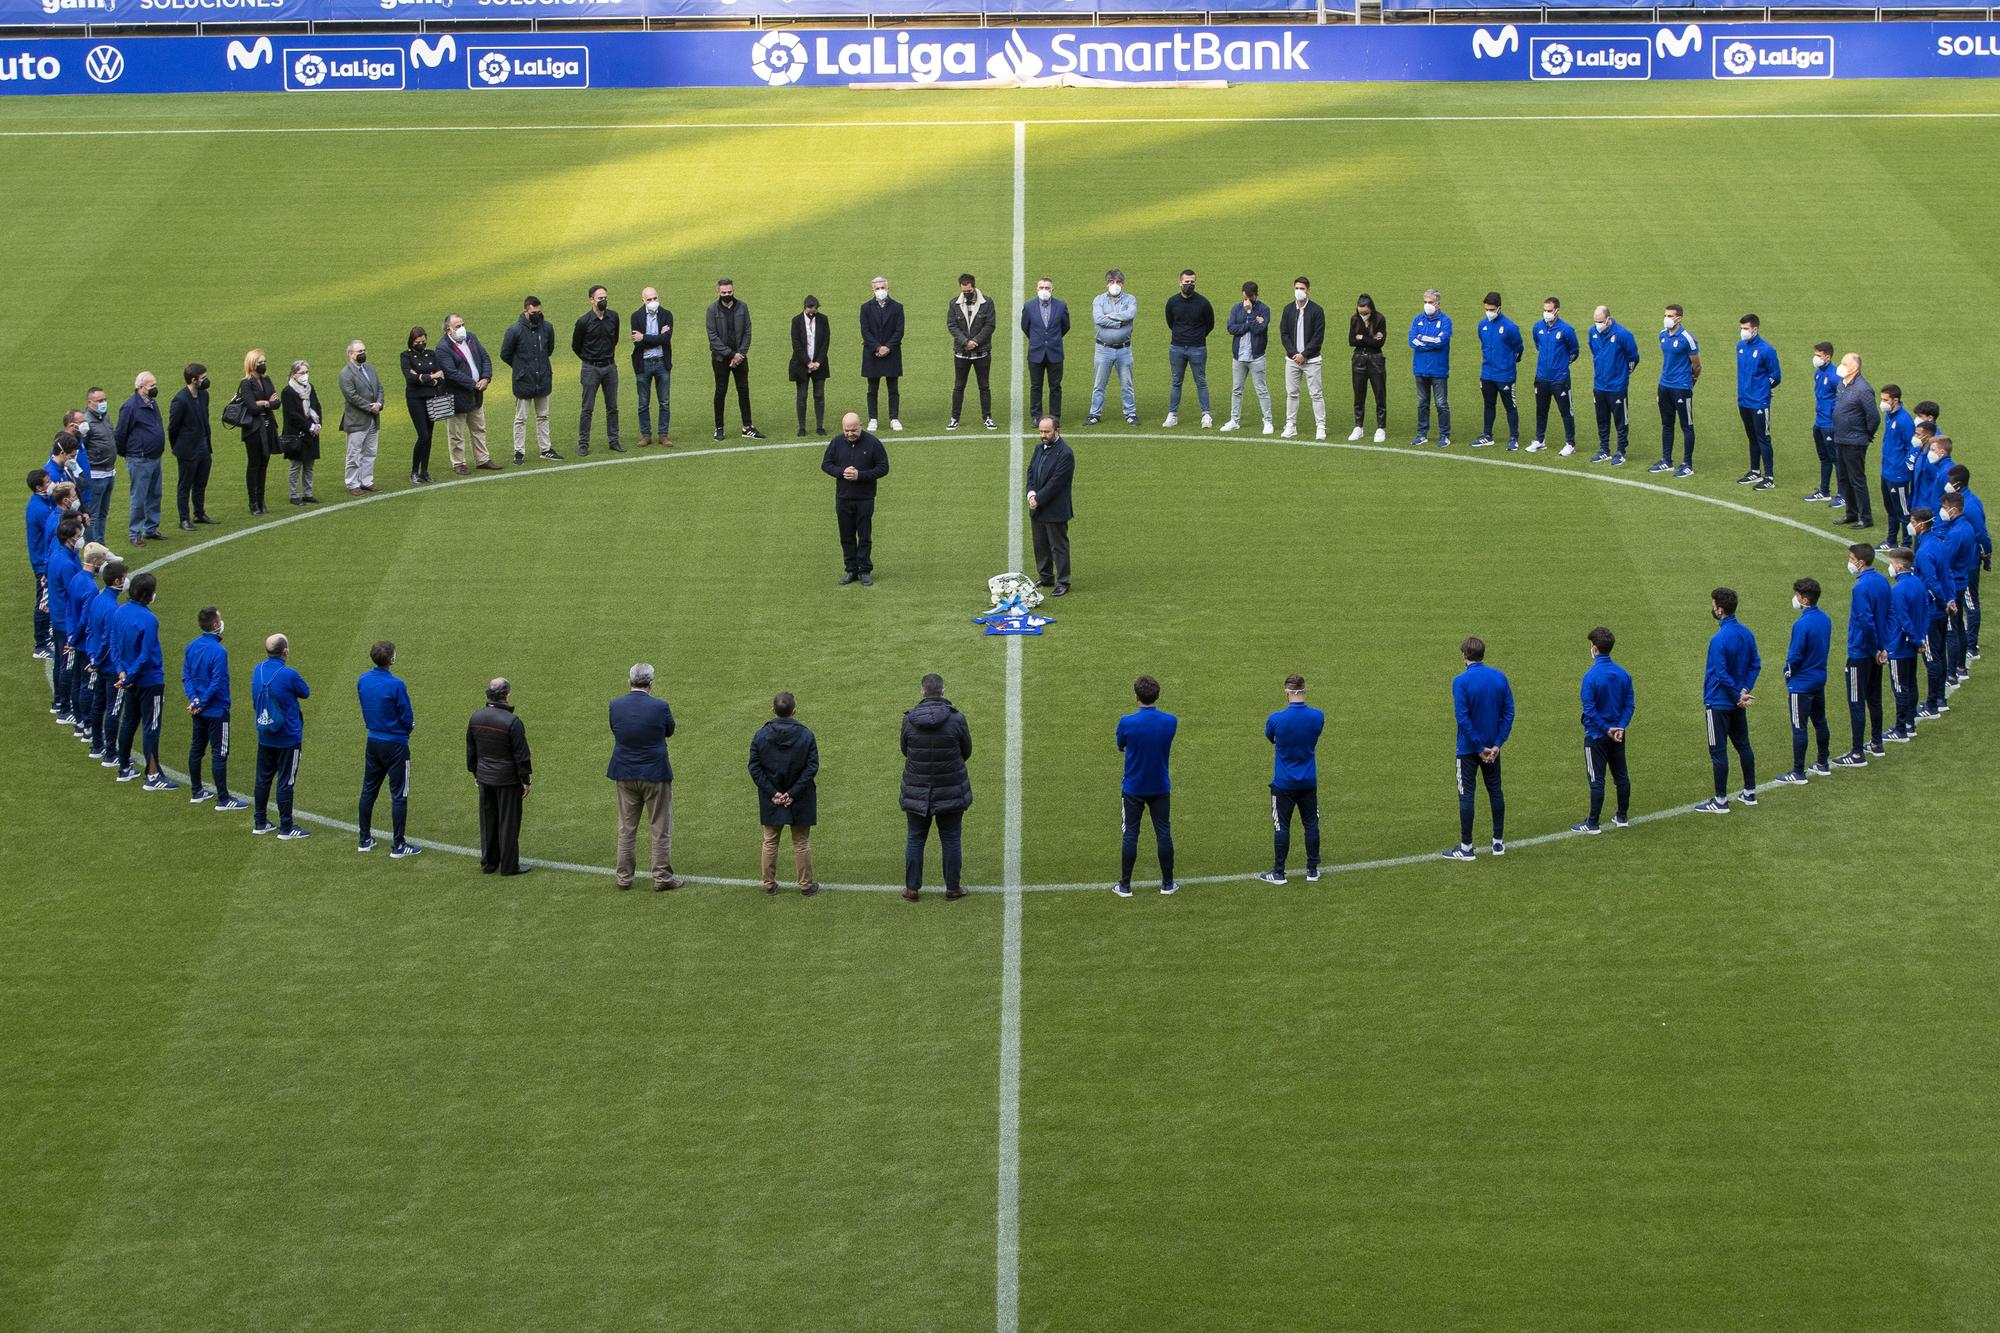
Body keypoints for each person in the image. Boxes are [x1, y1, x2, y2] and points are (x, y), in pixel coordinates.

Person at [606, 662, 681, 891]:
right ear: (651, 683)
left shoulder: (616, 705)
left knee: (626, 828)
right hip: (655, 774)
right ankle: (662, 878)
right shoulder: (660, 706)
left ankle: (624, 878)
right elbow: (669, 730)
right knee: (660, 827)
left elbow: (615, 729)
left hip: (625, 773)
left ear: (630, 682)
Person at [899, 672, 972, 902]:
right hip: (950, 789)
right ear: (943, 691)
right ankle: (953, 888)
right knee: (950, 838)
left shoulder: (909, 719)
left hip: (916, 790)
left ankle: (912, 889)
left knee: (915, 838)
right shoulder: (957, 718)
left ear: (923, 692)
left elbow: (905, 750)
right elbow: (966, 751)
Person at [1444, 636, 1511, 860]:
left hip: (1468, 750)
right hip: (1493, 749)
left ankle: (1466, 847)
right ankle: (1498, 843)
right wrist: (1496, 744)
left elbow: (1462, 718)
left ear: (1465, 656)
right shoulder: (1500, 678)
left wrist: (1478, 746)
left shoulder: (1460, 682)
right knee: (1495, 790)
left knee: (1466, 796)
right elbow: (1509, 713)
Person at [1111, 675, 1178, 897]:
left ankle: (1125, 885)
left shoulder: (1126, 722)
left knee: (1130, 834)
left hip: (1133, 787)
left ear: (1136, 697)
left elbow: (1121, 745)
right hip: (1160, 785)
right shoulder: (1170, 721)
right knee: (1163, 833)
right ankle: (1168, 884)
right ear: (1157, 695)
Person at [749, 690, 819, 896]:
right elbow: (811, 767)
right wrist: (793, 793)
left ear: (773, 710)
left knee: (770, 840)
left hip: (772, 798)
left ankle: (769, 884)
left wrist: (773, 793)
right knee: (801, 842)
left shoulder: (760, 735)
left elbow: (754, 767)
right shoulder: (806, 735)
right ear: (794, 710)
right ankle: (806, 885)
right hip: (800, 797)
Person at [1697, 587, 1761, 814]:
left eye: (1713, 604)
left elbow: (1721, 673)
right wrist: (1744, 690)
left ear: (1720, 610)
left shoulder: (1718, 639)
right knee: (1743, 745)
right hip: (1737, 703)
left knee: (1718, 751)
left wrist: (1736, 694)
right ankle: (1750, 792)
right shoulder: (1746, 633)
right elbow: (1755, 664)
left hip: (1718, 703)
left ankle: (1720, 800)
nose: (1712, 608)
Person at [110, 569, 175, 790]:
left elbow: (113, 643)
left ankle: (124, 768)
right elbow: (146, 654)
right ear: (148, 594)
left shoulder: (120, 612)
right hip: (149, 680)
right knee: (151, 726)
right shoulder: (149, 619)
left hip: (129, 677)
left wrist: (122, 672)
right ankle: (153, 775)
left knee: (128, 721)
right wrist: (130, 674)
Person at [1256, 674, 1324, 883]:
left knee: (1281, 826)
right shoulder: (1317, 716)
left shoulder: (1276, 719)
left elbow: (1272, 738)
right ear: (1305, 690)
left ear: (1286, 692)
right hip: (1308, 781)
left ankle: (1278, 873)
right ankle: (1312, 870)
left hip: (1284, 782)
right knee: (1311, 824)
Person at [356, 639, 419, 857]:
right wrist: (407, 728)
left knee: (368, 790)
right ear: (391, 659)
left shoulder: (363, 680)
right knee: (399, 794)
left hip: (373, 741)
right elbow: (406, 716)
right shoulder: (396, 684)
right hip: (395, 745)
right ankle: (399, 845)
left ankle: (364, 839)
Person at [467, 677, 532, 876]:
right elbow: (521, 756)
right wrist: (525, 780)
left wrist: (475, 772)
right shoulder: (513, 722)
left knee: (488, 821)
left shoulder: (476, 717)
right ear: (506, 695)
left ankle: (489, 863)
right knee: (509, 822)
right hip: (507, 780)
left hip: (485, 777)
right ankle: (509, 865)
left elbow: (472, 749)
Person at [1573, 625, 1635, 832]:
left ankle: (1592, 822)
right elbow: (1629, 705)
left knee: (1596, 779)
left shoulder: (1590, 677)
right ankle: (1622, 816)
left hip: (1596, 735)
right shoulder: (1623, 674)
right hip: (1618, 735)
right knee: (1621, 776)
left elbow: (1589, 710)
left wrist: (1606, 728)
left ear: (1595, 648)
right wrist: (1620, 727)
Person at [181, 605, 243, 809]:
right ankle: (223, 798)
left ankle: (196, 791)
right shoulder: (219, 651)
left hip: (197, 708)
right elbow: (217, 682)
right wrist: (204, 702)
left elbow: (187, 676)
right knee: (219, 752)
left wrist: (195, 701)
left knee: (196, 748)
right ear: (215, 624)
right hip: (216, 709)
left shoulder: (191, 646)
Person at [1836, 544, 1893, 765]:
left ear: (1861, 562)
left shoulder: (1860, 588)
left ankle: (1857, 752)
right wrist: (1883, 647)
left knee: (1856, 701)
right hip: (1877, 651)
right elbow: (1889, 614)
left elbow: (1866, 621)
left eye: (1851, 558)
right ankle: (1877, 743)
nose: (1850, 562)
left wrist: (1875, 647)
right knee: (1874, 698)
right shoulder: (1882, 581)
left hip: (1861, 652)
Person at [251, 632, 311, 838]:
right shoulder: (289, 674)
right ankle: (286, 827)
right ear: (285, 651)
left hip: (266, 733)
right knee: (286, 781)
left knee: (263, 779)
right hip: (288, 737)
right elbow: (305, 692)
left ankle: (259, 822)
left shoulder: (257, 670)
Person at [822, 412, 888, 586]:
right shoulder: (836, 442)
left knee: (864, 536)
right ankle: (851, 570)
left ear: (861, 425)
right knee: (846, 536)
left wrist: (861, 475)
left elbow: (883, 468)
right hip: (843, 498)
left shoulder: (873, 443)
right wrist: (841, 472)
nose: (850, 433)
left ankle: (864, 570)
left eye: (853, 430)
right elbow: (826, 464)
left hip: (865, 498)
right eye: (846, 430)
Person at [1777, 577, 1832, 785]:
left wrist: (1788, 673)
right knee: (1820, 721)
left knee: (1799, 726)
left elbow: (1795, 655)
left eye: (1798, 595)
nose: (1795, 599)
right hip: (1819, 678)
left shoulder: (1801, 624)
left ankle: (1798, 772)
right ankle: (1822, 762)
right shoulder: (1825, 618)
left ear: (1805, 599)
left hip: (1801, 683)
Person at [499, 296, 558, 465]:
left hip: (543, 378)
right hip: (524, 381)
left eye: (539, 312)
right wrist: (521, 368)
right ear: (526, 310)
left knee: (543, 416)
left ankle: (545, 449)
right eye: (533, 312)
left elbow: (549, 349)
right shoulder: (515, 330)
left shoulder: (547, 328)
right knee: (521, 418)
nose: (537, 315)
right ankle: (519, 451)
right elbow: (505, 354)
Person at [437, 314, 497, 475]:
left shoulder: (470, 337)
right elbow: (451, 372)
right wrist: (474, 384)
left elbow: (485, 358)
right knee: (456, 433)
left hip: (476, 394)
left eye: (462, 324)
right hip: (457, 395)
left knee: (479, 428)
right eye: (457, 326)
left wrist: (486, 378)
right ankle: (458, 463)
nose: (461, 328)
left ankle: (482, 459)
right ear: (448, 329)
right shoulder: (443, 347)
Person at [114, 371, 167, 547]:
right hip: (139, 459)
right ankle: (134, 533)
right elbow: (120, 434)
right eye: (151, 386)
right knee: (139, 497)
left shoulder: (152, 403)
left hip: (155, 457)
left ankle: (151, 529)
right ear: (140, 388)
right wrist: (128, 454)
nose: (155, 388)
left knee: (155, 494)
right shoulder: (130, 407)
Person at [1830, 352, 1880, 528]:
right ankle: (1851, 513)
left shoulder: (1863, 388)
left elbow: (1873, 417)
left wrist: (1865, 435)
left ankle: (1865, 517)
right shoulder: (1842, 385)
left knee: (1857, 480)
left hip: (1855, 441)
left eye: (1844, 363)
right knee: (1843, 478)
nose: (1840, 365)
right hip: (1841, 438)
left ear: (1855, 367)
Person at [1911, 508, 1954, 717]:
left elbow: (1931, 582)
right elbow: (1948, 574)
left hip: (1930, 611)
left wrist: (1942, 601)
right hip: (1942, 609)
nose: (1911, 525)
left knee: (1931, 657)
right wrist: (1950, 599)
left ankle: (1932, 704)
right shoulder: (1939, 542)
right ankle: (1941, 699)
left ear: (1920, 523)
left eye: (1912, 521)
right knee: (1940, 653)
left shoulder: (1924, 551)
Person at [706, 278, 760, 441]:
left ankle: (747, 426)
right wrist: (731, 354)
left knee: (743, 391)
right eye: (724, 293)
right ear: (718, 292)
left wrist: (740, 354)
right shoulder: (712, 310)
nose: (727, 295)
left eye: (729, 292)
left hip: (740, 358)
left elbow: (747, 332)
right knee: (720, 391)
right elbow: (712, 336)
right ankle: (719, 428)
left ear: (733, 290)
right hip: (720, 358)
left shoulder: (742, 307)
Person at [66, 541, 110, 739]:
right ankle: (86, 723)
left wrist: (69, 635)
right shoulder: (91, 587)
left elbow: (69, 610)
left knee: (77, 681)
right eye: (103, 560)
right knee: (87, 684)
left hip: (74, 636)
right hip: (85, 643)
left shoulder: (76, 578)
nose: (104, 564)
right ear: (95, 561)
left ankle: (78, 719)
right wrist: (75, 639)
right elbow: (86, 619)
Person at [1025, 416, 1074, 596]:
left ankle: (1063, 581)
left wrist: (1038, 499)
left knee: (1058, 546)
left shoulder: (1066, 453)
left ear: (1057, 431)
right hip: (1037, 506)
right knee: (1041, 545)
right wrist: (1030, 493)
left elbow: (1056, 483)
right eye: (1041, 431)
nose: (1043, 435)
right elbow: (1031, 472)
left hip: (1055, 509)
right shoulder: (1038, 449)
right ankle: (1045, 576)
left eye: (1047, 431)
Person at [1946, 462, 1990, 660]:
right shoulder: (1968, 500)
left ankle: (1972, 645)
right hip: (1967, 561)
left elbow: (1982, 535)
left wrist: (1986, 556)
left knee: (1970, 603)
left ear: (1957, 484)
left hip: (1968, 564)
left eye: (1950, 481)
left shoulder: (1968, 506)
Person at [1472, 291, 1526, 451]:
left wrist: (1508, 363)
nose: (1488, 312)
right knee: (1489, 405)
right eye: (1486, 309)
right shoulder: (1482, 325)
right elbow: (1483, 344)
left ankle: (1514, 437)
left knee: (1510, 406)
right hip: (1487, 373)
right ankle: (1487, 435)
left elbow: (1519, 348)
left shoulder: (1510, 327)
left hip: (1505, 375)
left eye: (1491, 309)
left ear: (1499, 308)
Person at [573, 284, 623, 456]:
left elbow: (615, 338)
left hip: (610, 367)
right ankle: (583, 444)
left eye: (605, 298)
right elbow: (576, 346)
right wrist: (589, 359)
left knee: (612, 407)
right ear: (591, 300)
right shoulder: (583, 322)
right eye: (600, 298)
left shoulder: (614, 317)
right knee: (587, 408)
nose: (603, 301)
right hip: (590, 368)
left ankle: (614, 441)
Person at [1586, 305, 1639, 466]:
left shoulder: (1623, 334)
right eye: (1595, 321)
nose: (1598, 324)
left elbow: (1634, 357)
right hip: (1599, 384)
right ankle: (1604, 449)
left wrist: (1623, 375)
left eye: (1600, 321)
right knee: (1602, 419)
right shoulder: (1592, 332)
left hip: (1617, 386)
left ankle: (1621, 451)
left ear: (1609, 319)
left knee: (1621, 421)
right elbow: (1595, 352)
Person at [1651, 304, 1700, 476]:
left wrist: (1690, 382)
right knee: (1667, 424)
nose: (1667, 318)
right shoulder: (1662, 335)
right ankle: (1667, 460)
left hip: (1681, 387)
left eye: (1670, 316)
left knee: (1686, 426)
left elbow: (1697, 365)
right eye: (1665, 315)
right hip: (1664, 386)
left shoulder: (1687, 338)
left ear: (1679, 318)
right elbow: (1667, 361)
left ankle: (1688, 464)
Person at [1220, 282, 1274, 435]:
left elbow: (1259, 330)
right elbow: (1231, 328)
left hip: (1256, 357)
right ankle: (1234, 420)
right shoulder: (1236, 308)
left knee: (1261, 390)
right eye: (1245, 297)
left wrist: (1249, 315)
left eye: (1250, 297)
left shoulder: (1264, 309)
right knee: (1236, 390)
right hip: (1239, 357)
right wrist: (1249, 324)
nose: (1247, 301)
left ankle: (1268, 421)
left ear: (1256, 295)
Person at [1735, 314, 1782, 490]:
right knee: (1752, 436)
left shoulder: (1766, 350)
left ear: (1755, 329)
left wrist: (1763, 389)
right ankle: (1755, 471)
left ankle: (1769, 477)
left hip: (1759, 402)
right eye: (1741, 328)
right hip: (1744, 400)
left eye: (1746, 328)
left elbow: (1776, 376)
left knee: (1763, 438)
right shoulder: (1740, 347)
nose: (1743, 332)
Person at [85, 559, 125, 762]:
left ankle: (96, 745)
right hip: (110, 666)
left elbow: (91, 630)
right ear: (117, 580)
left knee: (98, 704)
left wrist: (93, 657)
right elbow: (107, 641)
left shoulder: (98, 599)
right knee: (113, 709)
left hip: (99, 662)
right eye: (124, 579)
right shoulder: (112, 608)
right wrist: (98, 660)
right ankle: (110, 753)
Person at [1163, 268, 1214, 428]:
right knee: (1176, 381)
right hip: (1177, 347)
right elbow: (1170, 322)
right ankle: (1172, 414)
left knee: (1201, 381)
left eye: (1192, 282)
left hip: (1197, 348)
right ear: (1180, 282)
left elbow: (1210, 324)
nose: (1189, 285)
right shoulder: (1172, 302)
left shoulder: (1203, 303)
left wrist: (1196, 337)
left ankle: (1206, 415)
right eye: (1187, 282)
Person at [1937, 490, 1979, 685]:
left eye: (1945, 508)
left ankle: (1951, 673)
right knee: (1959, 626)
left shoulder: (1955, 533)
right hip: (1962, 581)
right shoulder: (1967, 527)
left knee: (1951, 630)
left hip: (1953, 585)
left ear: (1954, 509)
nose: (1942, 511)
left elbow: (1945, 560)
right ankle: (1961, 667)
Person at [1885, 546, 1927, 740]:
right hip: (1914, 643)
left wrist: (1914, 638)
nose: (1890, 567)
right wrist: (1921, 638)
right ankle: (1910, 723)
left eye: (1892, 563)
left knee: (1900, 687)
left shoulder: (1898, 589)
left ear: (1900, 566)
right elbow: (1926, 612)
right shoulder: (1918, 583)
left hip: (1899, 646)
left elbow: (1902, 619)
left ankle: (1901, 728)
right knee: (1911, 683)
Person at [1528, 296, 1578, 456]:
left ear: (1557, 310)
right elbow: (1538, 344)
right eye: (1544, 310)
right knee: (1541, 411)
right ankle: (1540, 440)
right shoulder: (1537, 327)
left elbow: (1574, 351)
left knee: (1566, 411)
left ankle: (1570, 443)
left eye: (1549, 310)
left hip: (1560, 379)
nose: (1546, 313)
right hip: (1542, 377)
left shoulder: (1566, 329)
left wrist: (1562, 364)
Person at [1279, 276, 1327, 441]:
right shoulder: (1288, 309)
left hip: (1311, 360)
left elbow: (1318, 336)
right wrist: (1294, 354)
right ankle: (1290, 425)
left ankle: (1320, 426)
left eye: (1302, 288)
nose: (1299, 291)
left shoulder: (1316, 311)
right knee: (1292, 393)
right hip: (1292, 360)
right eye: (1297, 288)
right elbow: (1284, 334)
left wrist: (1304, 355)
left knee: (1316, 394)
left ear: (1308, 290)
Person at [1088, 268, 1138, 427]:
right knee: (1099, 385)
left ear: (1122, 284)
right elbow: (1099, 319)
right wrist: (1119, 322)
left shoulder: (1130, 299)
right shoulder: (1099, 300)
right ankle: (1094, 414)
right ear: (1106, 283)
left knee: (1127, 384)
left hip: (1124, 349)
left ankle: (1130, 414)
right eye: (1111, 282)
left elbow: (1130, 314)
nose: (1114, 285)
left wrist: (1109, 317)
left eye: (1117, 282)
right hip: (1103, 349)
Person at [45, 512, 82, 723]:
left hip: (59, 616)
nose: (80, 538)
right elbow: (73, 592)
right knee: (67, 663)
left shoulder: (60, 554)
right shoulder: (66, 563)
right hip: (65, 620)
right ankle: (63, 707)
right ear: (70, 538)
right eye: (78, 534)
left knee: (61, 660)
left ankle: (59, 701)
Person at [168, 364, 215, 530]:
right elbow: (173, 428)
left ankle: (199, 513)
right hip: (188, 450)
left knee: (201, 482)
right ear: (193, 380)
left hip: (203, 445)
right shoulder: (180, 400)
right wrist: (180, 447)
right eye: (203, 378)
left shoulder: (204, 395)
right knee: (185, 485)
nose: (206, 381)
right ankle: (184, 519)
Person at [948, 273, 997, 430]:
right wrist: (965, 342)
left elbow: (990, 325)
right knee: (959, 387)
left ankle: (987, 417)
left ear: (974, 287)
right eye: (964, 292)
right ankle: (954, 418)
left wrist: (975, 342)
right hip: (961, 353)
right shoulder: (954, 303)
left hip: (981, 353)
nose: (967, 295)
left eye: (969, 291)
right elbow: (952, 325)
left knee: (984, 386)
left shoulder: (987, 302)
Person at [235, 352, 282, 513]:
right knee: (254, 464)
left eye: (264, 361)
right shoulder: (246, 383)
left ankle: (261, 500)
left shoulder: (266, 380)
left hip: (268, 426)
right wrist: (267, 403)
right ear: (252, 364)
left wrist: (264, 403)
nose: (263, 364)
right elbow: (252, 407)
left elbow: (277, 403)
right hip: (254, 429)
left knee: (264, 463)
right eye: (260, 362)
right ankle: (253, 502)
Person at [337, 340, 385, 495]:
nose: (363, 353)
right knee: (354, 454)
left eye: (364, 350)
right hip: (357, 420)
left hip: (372, 419)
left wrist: (379, 403)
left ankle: (366, 481)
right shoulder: (346, 373)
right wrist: (371, 407)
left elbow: (380, 388)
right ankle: (352, 484)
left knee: (370, 452)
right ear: (351, 354)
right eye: (359, 351)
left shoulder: (370, 369)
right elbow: (352, 396)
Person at [400, 327, 446, 485]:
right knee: (423, 435)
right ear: (412, 342)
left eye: (423, 341)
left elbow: (441, 376)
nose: (421, 344)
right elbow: (409, 377)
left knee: (429, 436)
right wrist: (431, 377)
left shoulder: (431, 354)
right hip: (415, 399)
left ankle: (424, 470)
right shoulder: (406, 356)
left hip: (431, 399)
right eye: (418, 342)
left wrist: (423, 377)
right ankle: (414, 471)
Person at [1022, 276, 1070, 427]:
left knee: (1055, 386)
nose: (1044, 290)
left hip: (1055, 353)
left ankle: (1055, 417)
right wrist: (1038, 340)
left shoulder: (1061, 306)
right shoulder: (1029, 306)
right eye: (1041, 287)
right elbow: (1025, 326)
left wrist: (1052, 340)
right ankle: (1036, 416)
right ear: (1036, 289)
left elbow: (1065, 326)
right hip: (1036, 353)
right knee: (1036, 386)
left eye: (1047, 288)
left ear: (1052, 289)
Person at [630, 285, 673, 448]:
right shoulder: (636, 316)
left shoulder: (667, 315)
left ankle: (663, 435)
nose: (653, 302)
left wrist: (646, 337)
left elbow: (666, 339)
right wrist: (658, 336)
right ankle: (646, 435)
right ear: (643, 300)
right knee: (643, 402)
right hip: (644, 363)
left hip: (662, 362)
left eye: (655, 298)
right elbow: (637, 343)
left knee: (664, 402)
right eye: (649, 299)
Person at [1409, 288, 1452, 448]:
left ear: (1438, 304)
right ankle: (1421, 434)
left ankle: (1444, 435)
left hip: (1438, 370)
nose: (1427, 305)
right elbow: (1412, 341)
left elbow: (1440, 341)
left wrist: (1423, 339)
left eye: (1431, 302)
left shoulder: (1446, 321)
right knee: (1422, 403)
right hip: (1420, 369)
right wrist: (1429, 341)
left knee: (1441, 403)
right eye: (1425, 302)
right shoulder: (1417, 320)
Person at [860, 276, 904, 433]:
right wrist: (878, 347)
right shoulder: (865, 308)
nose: (880, 291)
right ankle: (873, 418)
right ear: (872, 289)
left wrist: (887, 347)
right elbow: (865, 331)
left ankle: (894, 418)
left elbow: (899, 331)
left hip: (891, 353)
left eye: (882, 288)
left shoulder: (897, 307)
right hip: (873, 353)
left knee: (893, 388)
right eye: (877, 288)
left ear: (888, 288)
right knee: (872, 389)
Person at [279, 359, 323, 506]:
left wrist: (318, 424)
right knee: (296, 466)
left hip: (311, 433)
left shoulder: (310, 388)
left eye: (306, 372)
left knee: (309, 465)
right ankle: (294, 495)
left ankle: (308, 493)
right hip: (296, 435)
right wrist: (310, 427)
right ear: (293, 374)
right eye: (301, 373)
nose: (305, 375)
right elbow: (292, 415)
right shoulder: (288, 392)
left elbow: (316, 406)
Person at [23, 469, 56, 658]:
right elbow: (56, 528)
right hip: (43, 563)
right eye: (48, 481)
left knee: (49, 600)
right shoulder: (39, 508)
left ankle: (48, 636)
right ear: (38, 487)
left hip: (45, 559)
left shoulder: (44, 501)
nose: (51, 483)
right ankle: (40, 644)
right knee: (43, 603)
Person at [1878, 384, 1916, 546]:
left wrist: (1904, 468)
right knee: (1890, 508)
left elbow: (1912, 446)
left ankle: (1906, 545)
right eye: (1882, 399)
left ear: (1896, 400)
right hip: (1886, 471)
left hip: (1898, 475)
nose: (1882, 403)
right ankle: (1891, 540)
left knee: (1903, 511)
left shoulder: (1904, 420)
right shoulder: (1889, 415)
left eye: (1885, 400)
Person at [789, 295, 832, 437]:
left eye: (815, 309)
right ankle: (802, 427)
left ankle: (820, 426)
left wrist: (818, 362)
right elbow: (797, 345)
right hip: (801, 365)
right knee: (802, 396)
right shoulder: (796, 321)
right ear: (805, 307)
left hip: (819, 364)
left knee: (819, 395)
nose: (813, 312)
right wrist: (808, 362)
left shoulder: (823, 319)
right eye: (811, 309)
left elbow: (826, 342)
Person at [79, 387, 118, 542]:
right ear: (90, 402)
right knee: (93, 516)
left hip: (109, 472)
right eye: (100, 400)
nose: (104, 403)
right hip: (95, 474)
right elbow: (82, 449)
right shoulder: (86, 423)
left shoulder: (105, 417)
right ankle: (92, 551)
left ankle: (100, 546)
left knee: (103, 513)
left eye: (105, 399)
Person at [1348, 294, 1388, 442]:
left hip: (1375, 360)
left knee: (1379, 394)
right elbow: (1351, 341)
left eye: (1365, 313)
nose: (1363, 315)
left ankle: (1381, 427)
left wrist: (1362, 338)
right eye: (1360, 312)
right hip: (1358, 360)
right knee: (1358, 395)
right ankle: (1358, 426)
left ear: (1371, 309)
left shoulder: (1380, 319)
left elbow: (1379, 344)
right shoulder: (1354, 319)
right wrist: (1369, 339)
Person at [1805, 342, 1840, 505]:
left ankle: (1842, 494)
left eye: (1819, 355)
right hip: (1819, 422)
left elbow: (1842, 400)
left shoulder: (1835, 376)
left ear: (1828, 356)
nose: (1816, 358)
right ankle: (1824, 491)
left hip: (1830, 425)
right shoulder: (1818, 373)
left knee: (1837, 460)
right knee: (1824, 458)